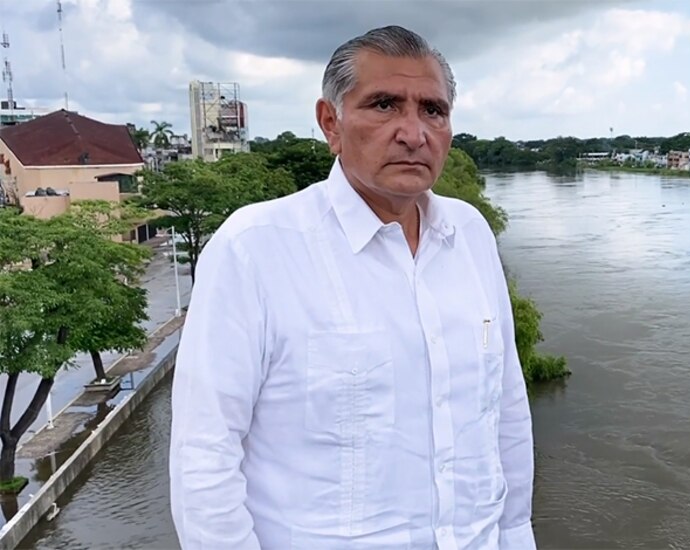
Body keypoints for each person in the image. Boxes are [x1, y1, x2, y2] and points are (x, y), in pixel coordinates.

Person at [169, 26, 536, 549]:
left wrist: (516, 537)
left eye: (433, 110)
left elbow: (506, 413)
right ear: (330, 123)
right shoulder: (255, 250)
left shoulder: (469, 234)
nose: (414, 132)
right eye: (384, 105)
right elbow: (203, 460)